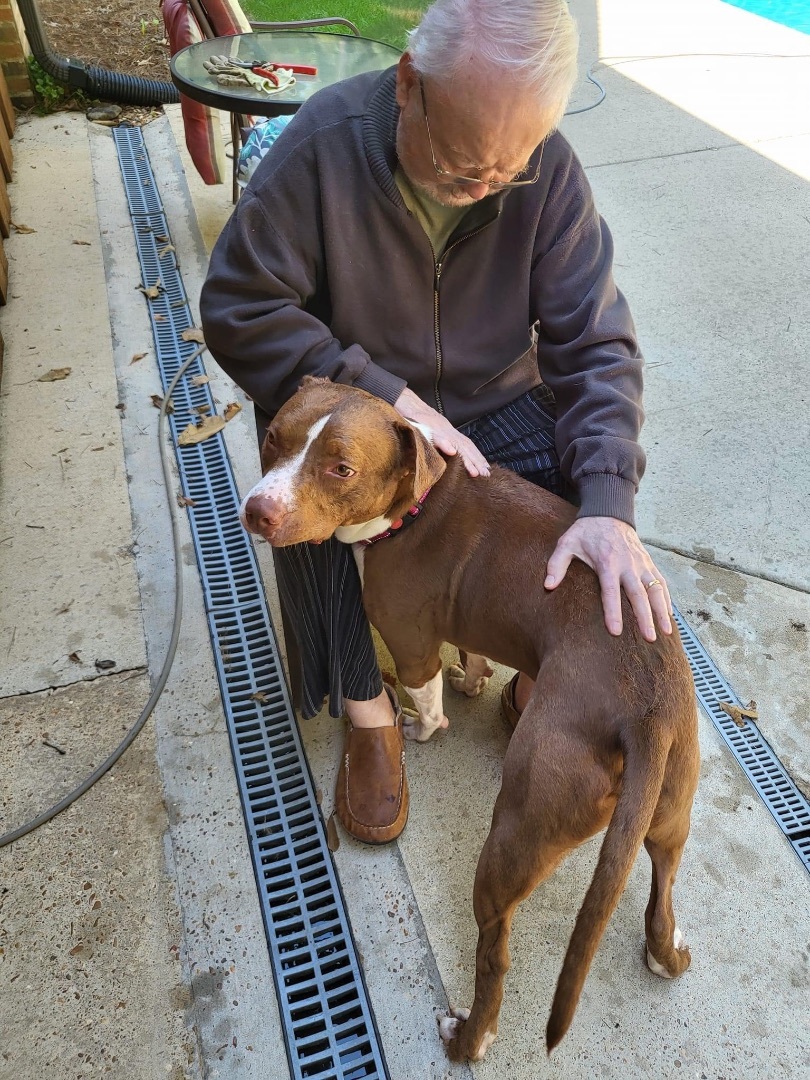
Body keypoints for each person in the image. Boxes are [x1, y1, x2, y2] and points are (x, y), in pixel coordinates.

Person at [200, 0, 673, 845]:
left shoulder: (549, 173)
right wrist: (379, 390)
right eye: (463, 167)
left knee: (579, 491)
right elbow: (239, 303)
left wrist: (607, 501)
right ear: (411, 85)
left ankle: (535, 668)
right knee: (309, 504)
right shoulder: (323, 144)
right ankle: (369, 707)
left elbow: (596, 343)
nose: (487, 185)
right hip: (364, 410)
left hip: (495, 398)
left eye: (508, 168)